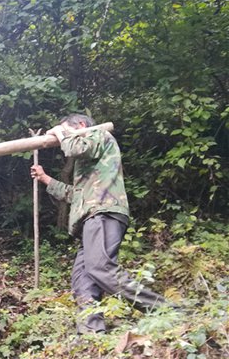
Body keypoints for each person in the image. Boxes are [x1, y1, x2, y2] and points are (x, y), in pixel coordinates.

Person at [31, 114, 170, 334]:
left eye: (68, 130)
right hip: (91, 219)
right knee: (82, 279)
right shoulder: (90, 166)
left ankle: (164, 310)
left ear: (82, 126)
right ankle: (91, 334)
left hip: (104, 212)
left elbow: (74, 148)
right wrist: (45, 178)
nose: (64, 136)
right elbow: (74, 194)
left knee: (100, 268)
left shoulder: (98, 134)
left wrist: (59, 131)